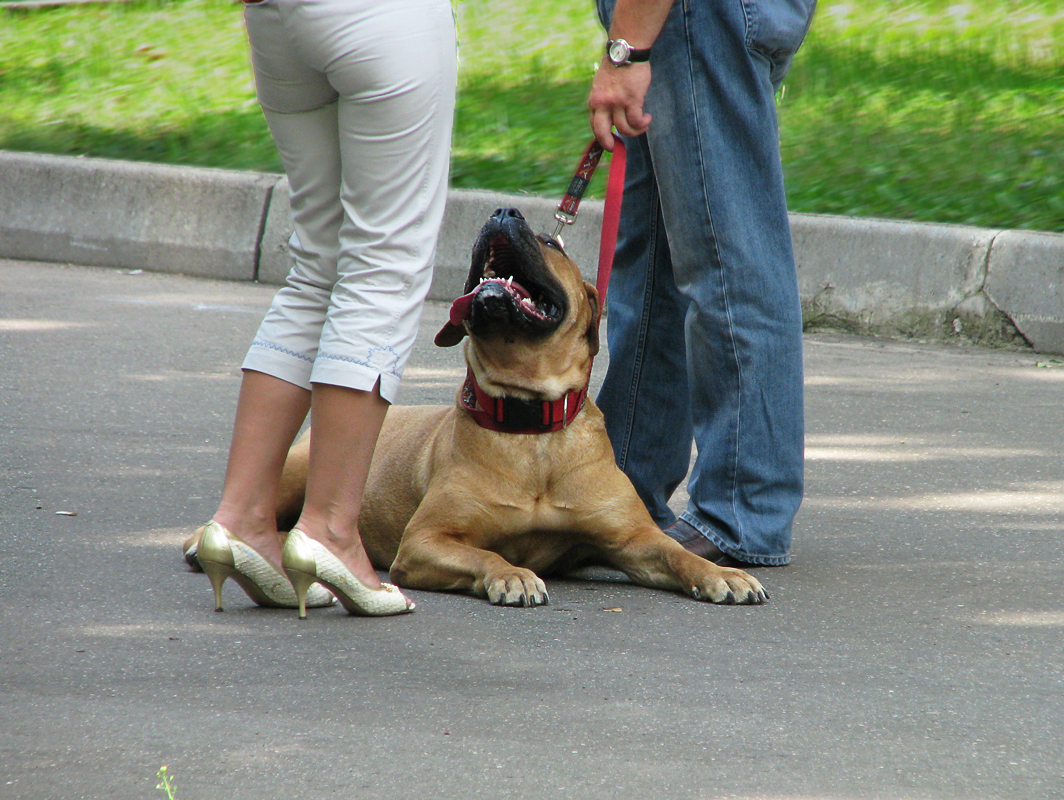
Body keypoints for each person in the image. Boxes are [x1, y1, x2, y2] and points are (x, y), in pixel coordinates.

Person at [189, 0, 457, 617]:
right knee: (382, 265)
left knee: (318, 265)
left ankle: (243, 518)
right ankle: (331, 530)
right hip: (383, 20)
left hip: (278, 19)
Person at [588, 0, 816, 566]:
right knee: (655, 265)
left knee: (726, 258)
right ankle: (623, 494)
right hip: (692, 17)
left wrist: (627, 48)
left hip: (690, 14)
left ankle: (740, 513)